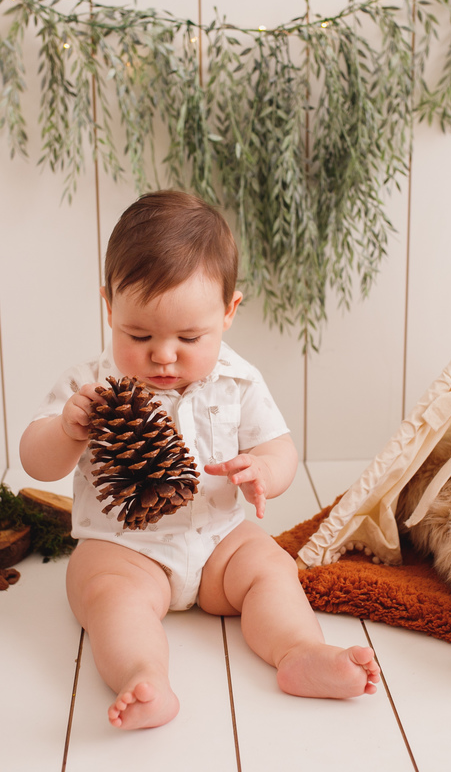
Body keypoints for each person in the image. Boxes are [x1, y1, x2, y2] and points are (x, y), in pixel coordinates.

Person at [20, 190, 380, 730]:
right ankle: (144, 675)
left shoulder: (238, 380)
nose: (163, 354)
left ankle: (300, 652)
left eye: (190, 337)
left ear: (230, 312)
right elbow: (35, 460)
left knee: (272, 568)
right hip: (127, 550)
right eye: (138, 335)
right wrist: (69, 429)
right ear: (109, 306)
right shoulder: (88, 385)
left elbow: (280, 448)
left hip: (219, 542)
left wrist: (265, 470)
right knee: (106, 595)